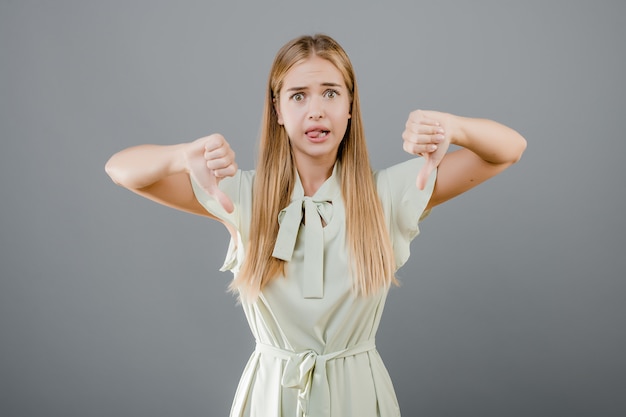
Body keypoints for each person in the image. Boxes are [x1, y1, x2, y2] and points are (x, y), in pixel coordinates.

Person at [105, 34, 526, 417]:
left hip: (360, 398)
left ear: (350, 106)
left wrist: (455, 127)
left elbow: (509, 149)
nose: (316, 111)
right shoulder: (240, 195)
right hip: (271, 399)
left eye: (330, 93)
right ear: (278, 110)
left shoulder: (389, 193)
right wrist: (182, 155)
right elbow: (121, 169)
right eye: (298, 96)